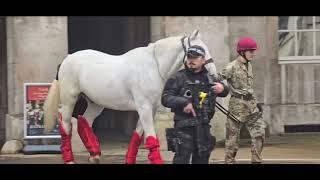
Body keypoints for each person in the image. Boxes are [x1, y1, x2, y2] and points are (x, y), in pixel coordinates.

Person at [161, 45, 229, 164]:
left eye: (195, 58)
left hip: (203, 127)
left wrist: (222, 88)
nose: (191, 60)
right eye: (189, 57)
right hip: (184, 128)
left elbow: (225, 91)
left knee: (202, 160)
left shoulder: (209, 77)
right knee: (181, 160)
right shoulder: (178, 77)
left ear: (203, 60)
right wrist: (184, 102)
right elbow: (165, 98)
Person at [221, 37, 265, 164]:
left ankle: (256, 160)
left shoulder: (249, 65)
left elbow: (248, 87)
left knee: (259, 131)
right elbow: (219, 78)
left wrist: (256, 103)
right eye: (250, 51)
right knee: (232, 138)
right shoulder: (231, 67)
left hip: (251, 104)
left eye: (253, 51)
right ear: (242, 52)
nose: (253, 54)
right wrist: (219, 88)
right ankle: (229, 161)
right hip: (237, 105)